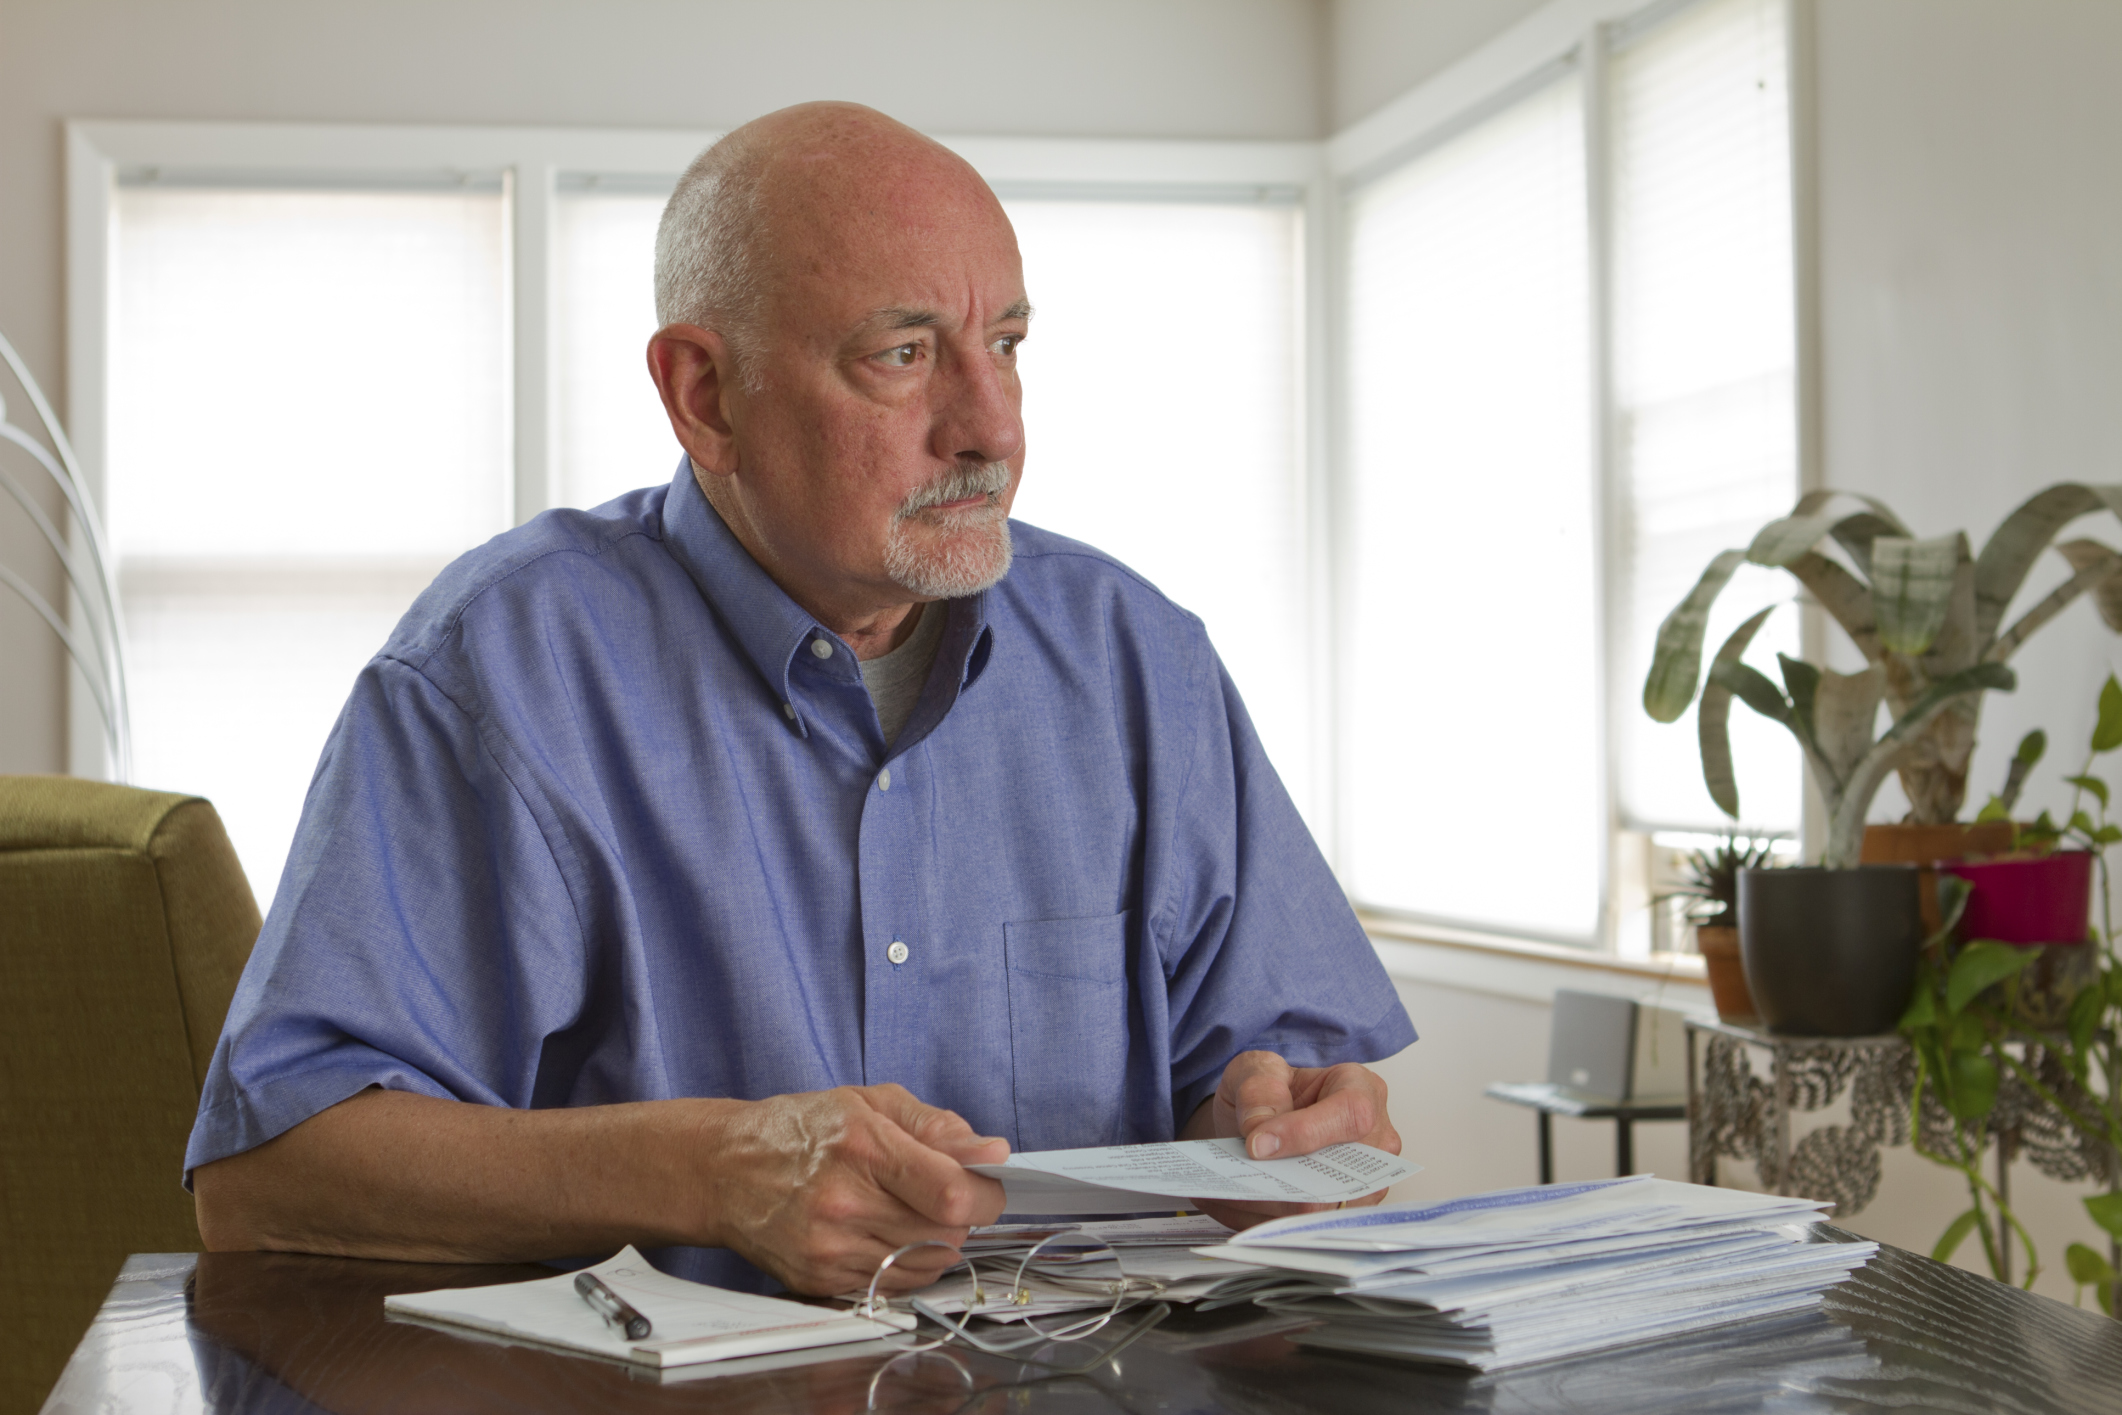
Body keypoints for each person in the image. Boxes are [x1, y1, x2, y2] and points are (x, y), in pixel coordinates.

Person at [188, 102, 1417, 1298]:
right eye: (903, 354)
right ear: (706, 397)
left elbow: (1271, 1078)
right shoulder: (499, 669)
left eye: (1007, 346)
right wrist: (706, 1171)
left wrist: (1281, 1122)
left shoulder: (1140, 658)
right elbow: (271, 1175)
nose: (989, 424)